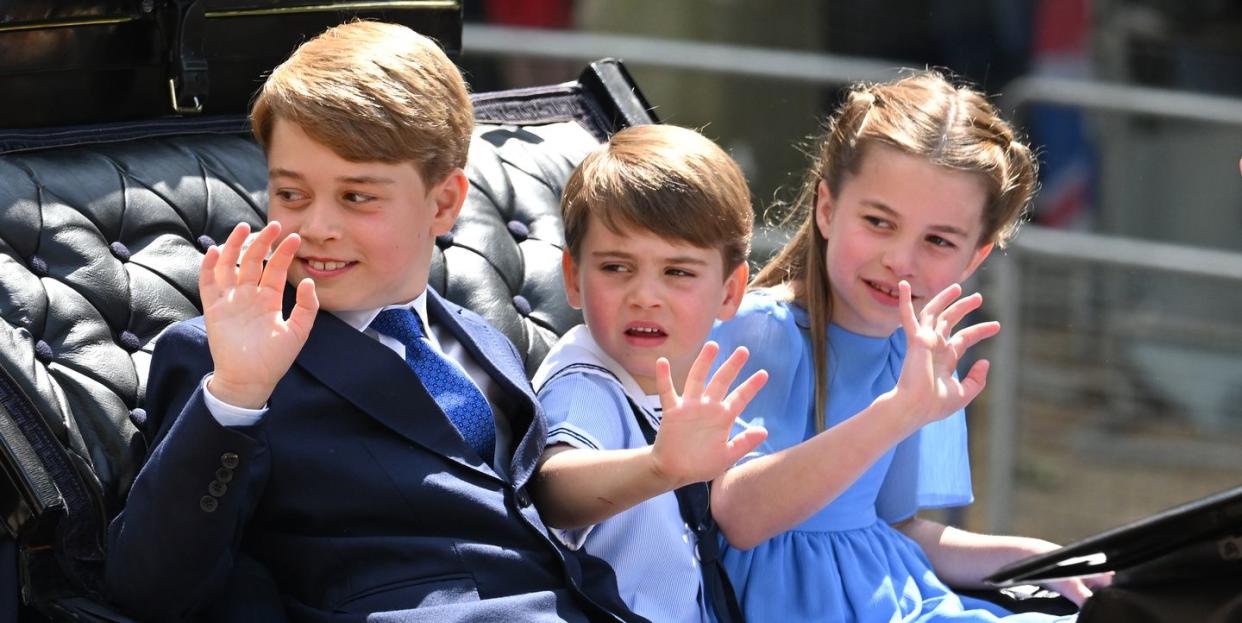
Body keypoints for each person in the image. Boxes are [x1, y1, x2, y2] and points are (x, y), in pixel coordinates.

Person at [105, 21, 641, 622]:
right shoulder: (221, 359)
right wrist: (236, 396)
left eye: (357, 197)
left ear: (442, 204)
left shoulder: (483, 337)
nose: (317, 227)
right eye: (291, 195)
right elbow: (150, 586)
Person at [707, 70, 1108, 622]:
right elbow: (739, 516)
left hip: (899, 599)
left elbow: (896, 528)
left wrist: (1033, 556)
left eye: (939, 240)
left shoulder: (918, 349)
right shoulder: (759, 328)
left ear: (974, 259)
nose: (901, 259)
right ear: (827, 208)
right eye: (878, 221)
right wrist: (899, 412)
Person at [528, 124, 768, 623]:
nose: (645, 295)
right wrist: (660, 466)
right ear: (573, 278)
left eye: (678, 272)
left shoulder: (697, 384)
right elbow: (552, 488)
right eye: (616, 267)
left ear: (729, 291)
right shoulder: (586, 378)